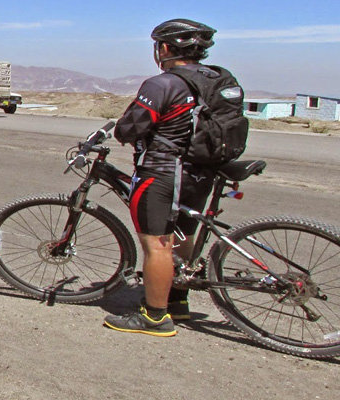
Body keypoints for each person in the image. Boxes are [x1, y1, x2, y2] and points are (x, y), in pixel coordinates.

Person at [104, 19, 225, 337]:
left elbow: (131, 128)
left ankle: (155, 316)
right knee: (183, 238)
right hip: (201, 172)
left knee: (157, 244)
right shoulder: (216, 79)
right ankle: (177, 301)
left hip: (162, 171)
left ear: (165, 48)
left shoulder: (163, 84)